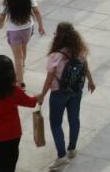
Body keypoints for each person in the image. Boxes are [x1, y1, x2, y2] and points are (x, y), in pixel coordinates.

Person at [37, 22, 96, 168]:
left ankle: (62, 156)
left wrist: (42, 95)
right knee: (74, 119)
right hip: (76, 91)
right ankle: (72, 149)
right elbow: (85, 67)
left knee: (56, 123)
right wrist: (90, 81)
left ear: (58, 36)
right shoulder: (80, 51)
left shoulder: (56, 56)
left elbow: (49, 80)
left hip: (58, 93)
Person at [0, 0, 45, 87]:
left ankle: (20, 81)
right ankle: (22, 66)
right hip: (27, 28)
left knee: (17, 57)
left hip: (14, 31)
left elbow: (2, 16)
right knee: (24, 47)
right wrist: (40, 26)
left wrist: (0, 24)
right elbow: (36, 12)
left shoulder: (7, 0)